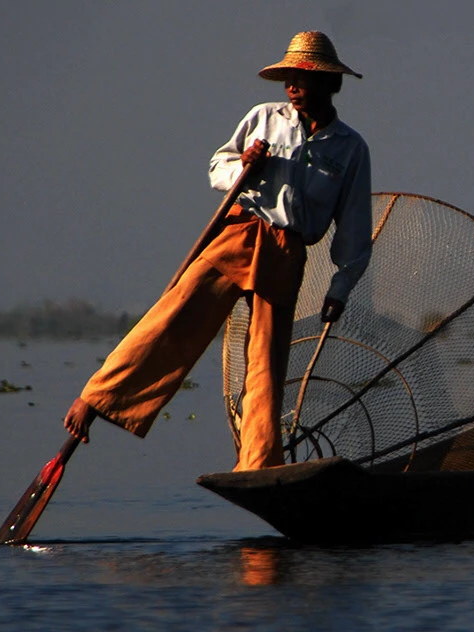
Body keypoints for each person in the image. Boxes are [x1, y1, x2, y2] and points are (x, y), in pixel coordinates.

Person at [63, 31, 372, 471]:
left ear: (328, 83)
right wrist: (244, 164)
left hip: (286, 253)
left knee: (266, 364)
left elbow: (355, 226)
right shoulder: (264, 118)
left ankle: (259, 464)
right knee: (174, 318)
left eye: (302, 78)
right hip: (239, 234)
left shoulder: (349, 148)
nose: (292, 86)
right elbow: (217, 166)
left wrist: (340, 287)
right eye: (288, 78)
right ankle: (96, 399)